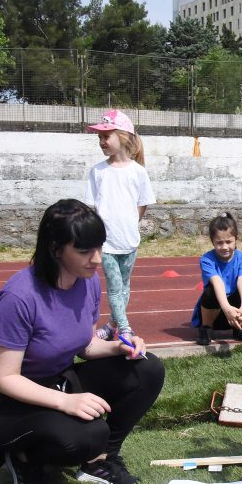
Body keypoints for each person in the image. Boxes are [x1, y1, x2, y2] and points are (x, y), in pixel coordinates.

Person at [0, 199, 165, 484]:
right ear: (56, 250)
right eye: (84, 251)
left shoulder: (88, 281)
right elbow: (5, 377)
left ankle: (101, 459)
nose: (97, 259)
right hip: (12, 401)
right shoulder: (19, 296)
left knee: (148, 369)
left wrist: (119, 347)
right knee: (89, 434)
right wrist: (65, 402)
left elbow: (84, 345)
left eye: (99, 247)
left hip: (59, 379)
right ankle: (25, 460)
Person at [83, 109, 155, 344]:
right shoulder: (98, 172)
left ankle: (111, 324)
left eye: (107, 136)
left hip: (129, 241)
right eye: (100, 138)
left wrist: (130, 224)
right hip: (107, 244)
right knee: (114, 288)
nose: (102, 142)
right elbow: (93, 206)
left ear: (123, 137)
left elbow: (142, 204)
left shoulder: (138, 172)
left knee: (124, 287)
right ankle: (125, 328)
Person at [192, 212, 242, 346]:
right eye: (219, 243)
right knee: (210, 292)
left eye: (228, 242)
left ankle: (239, 328)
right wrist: (227, 308)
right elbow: (217, 283)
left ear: (236, 239)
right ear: (212, 242)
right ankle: (206, 329)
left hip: (234, 312)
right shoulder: (207, 259)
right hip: (216, 311)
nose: (225, 247)